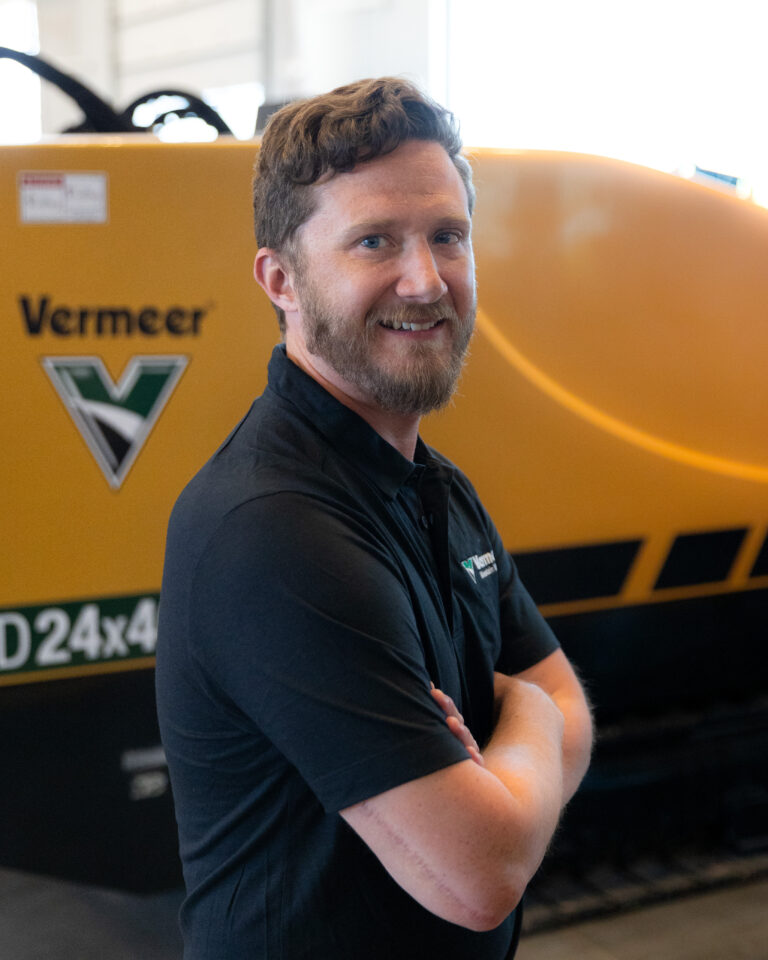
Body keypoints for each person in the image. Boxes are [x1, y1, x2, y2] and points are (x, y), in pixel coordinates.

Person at [156, 76, 593, 960]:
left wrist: (523, 740)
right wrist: (532, 723)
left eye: (448, 236)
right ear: (281, 279)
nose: (425, 279)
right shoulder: (275, 531)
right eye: (374, 241)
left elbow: (570, 706)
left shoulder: (437, 487)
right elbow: (482, 871)